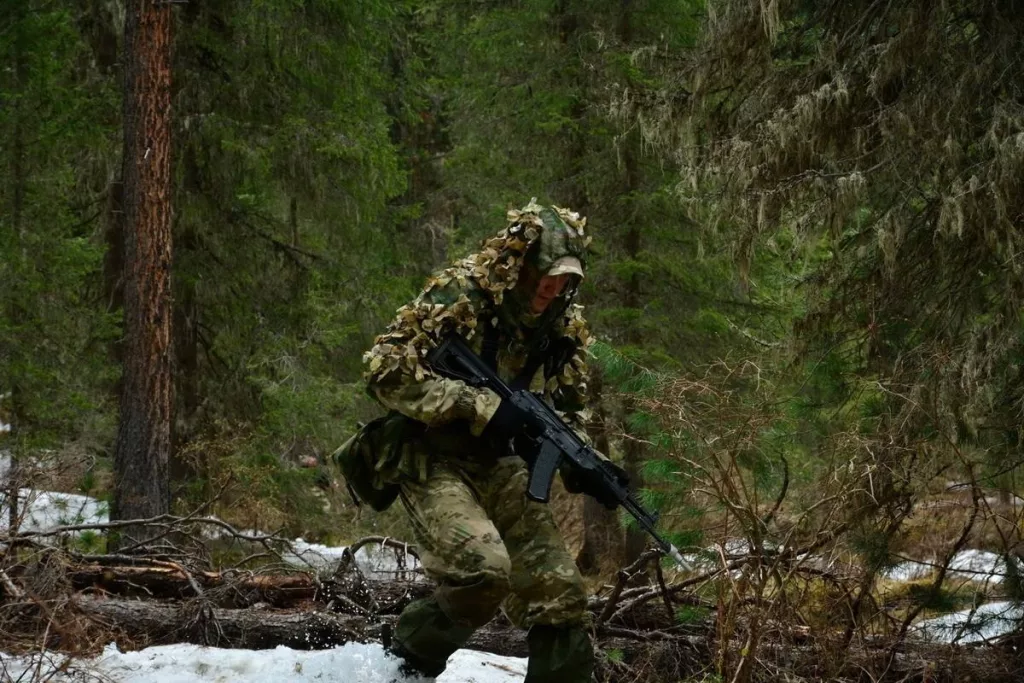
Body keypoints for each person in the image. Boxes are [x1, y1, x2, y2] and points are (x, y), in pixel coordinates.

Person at [362, 199, 627, 682]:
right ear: (520, 262)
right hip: (431, 456)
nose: (553, 287)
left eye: (566, 278)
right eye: (546, 273)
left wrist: (585, 462)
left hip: (498, 463)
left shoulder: (562, 325)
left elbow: (569, 409)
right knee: (484, 574)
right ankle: (399, 667)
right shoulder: (463, 293)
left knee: (562, 595)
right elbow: (385, 370)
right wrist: (478, 405)